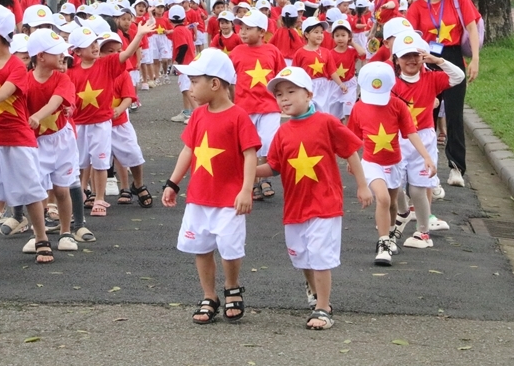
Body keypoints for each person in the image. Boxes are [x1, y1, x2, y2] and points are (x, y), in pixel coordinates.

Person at [256, 67, 371, 330]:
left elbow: (351, 151)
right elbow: (273, 167)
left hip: (325, 203)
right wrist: (247, 170)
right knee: (302, 256)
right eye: (279, 94)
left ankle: (323, 308)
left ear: (309, 94)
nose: (284, 98)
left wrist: (362, 185)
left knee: (319, 255)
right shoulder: (282, 132)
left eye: (291, 91)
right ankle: (314, 289)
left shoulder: (326, 122)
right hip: (296, 206)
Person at [162, 49, 260, 324]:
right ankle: (209, 295)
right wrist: (173, 182)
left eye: (195, 82)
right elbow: (188, 150)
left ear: (215, 83)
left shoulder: (238, 116)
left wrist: (246, 189)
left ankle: (231, 286)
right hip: (199, 197)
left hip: (229, 198)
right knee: (201, 247)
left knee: (230, 248)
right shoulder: (198, 115)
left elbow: (250, 154)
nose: (190, 88)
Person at [0, 5, 53, 265]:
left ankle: (41, 239)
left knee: (31, 192)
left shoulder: (17, 65)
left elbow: (5, 91)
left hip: (18, 140)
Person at [347, 62, 437, 266]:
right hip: (371, 162)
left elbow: (411, 133)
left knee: (393, 204)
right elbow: (351, 139)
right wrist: (351, 161)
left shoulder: (398, 106)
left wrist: (426, 156)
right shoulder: (358, 108)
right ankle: (383, 244)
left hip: (394, 163)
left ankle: (390, 234)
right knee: (383, 198)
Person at [406, 0, 481, 190]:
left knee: (455, 114)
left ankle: (457, 167)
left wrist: (475, 59)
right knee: (427, 113)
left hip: (453, 58)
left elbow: (472, 27)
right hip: (427, 60)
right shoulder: (416, 6)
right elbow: (409, 36)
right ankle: (426, 168)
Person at [67, 20, 155, 217]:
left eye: (95, 42)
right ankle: (80, 195)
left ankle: (100, 198)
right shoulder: (71, 71)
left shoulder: (106, 64)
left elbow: (126, 54)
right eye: (89, 44)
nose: (94, 47)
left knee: (100, 162)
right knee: (81, 163)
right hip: (79, 123)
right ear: (77, 51)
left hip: (101, 122)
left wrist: (139, 35)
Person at [390, 32, 464, 249]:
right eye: (405, 56)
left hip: (424, 138)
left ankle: (423, 233)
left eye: (416, 55)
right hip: (397, 138)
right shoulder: (391, 83)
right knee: (395, 185)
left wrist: (438, 61)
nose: (411, 60)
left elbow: (459, 77)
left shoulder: (432, 78)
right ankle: (403, 213)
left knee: (417, 190)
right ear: (396, 60)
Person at [24, 28, 95, 244]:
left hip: (61, 140)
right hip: (35, 143)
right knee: (37, 191)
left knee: (62, 189)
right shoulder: (24, 81)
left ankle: (66, 232)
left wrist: (37, 116)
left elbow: (55, 101)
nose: (62, 56)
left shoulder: (63, 79)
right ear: (40, 56)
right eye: (56, 52)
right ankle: (39, 235)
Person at [229, 9, 286, 201]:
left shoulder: (273, 51)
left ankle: (264, 178)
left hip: (269, 106)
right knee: (248, 145)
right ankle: (252, 182)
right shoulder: (236, 52)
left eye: (248, 28)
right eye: (241, 28)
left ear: (262, 31)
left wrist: (283, 99)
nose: (243, 31)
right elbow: (226, 78)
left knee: (268, 142)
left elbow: (281, 77)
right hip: (245, 108)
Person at [291, 17, 347, 119]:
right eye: (316, 32)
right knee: (308, 112)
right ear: (306, 34)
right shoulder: (300, 53)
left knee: (322, 114)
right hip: (308, 87)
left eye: (321, 32)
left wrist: (341, 84)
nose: (320, 35)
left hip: (324, 88)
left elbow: (332, 71)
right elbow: (295, 73)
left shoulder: (326, 52)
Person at [329, 19, 366, 120]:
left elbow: (362, 53)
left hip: (349, 84)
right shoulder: (330, 54)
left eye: (343, 35)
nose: (340, 38)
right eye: (337, 35)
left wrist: (352, 43)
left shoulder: (352, 51)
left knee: (348, 109)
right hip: (336, 84)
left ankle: (347, 128)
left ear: (349, 36)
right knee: (335, 114)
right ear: (333, 37)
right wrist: (340, 84)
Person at [168, 4, 197, 123]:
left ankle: (197, 113)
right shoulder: (185, 29)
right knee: (185, 89)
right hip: (189, 63)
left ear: (169, 19)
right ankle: (187, 112)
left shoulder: (177, 31)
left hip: (185, 64)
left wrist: (176, 62)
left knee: (186, 89)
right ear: (184, 18)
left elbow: (183, 47)